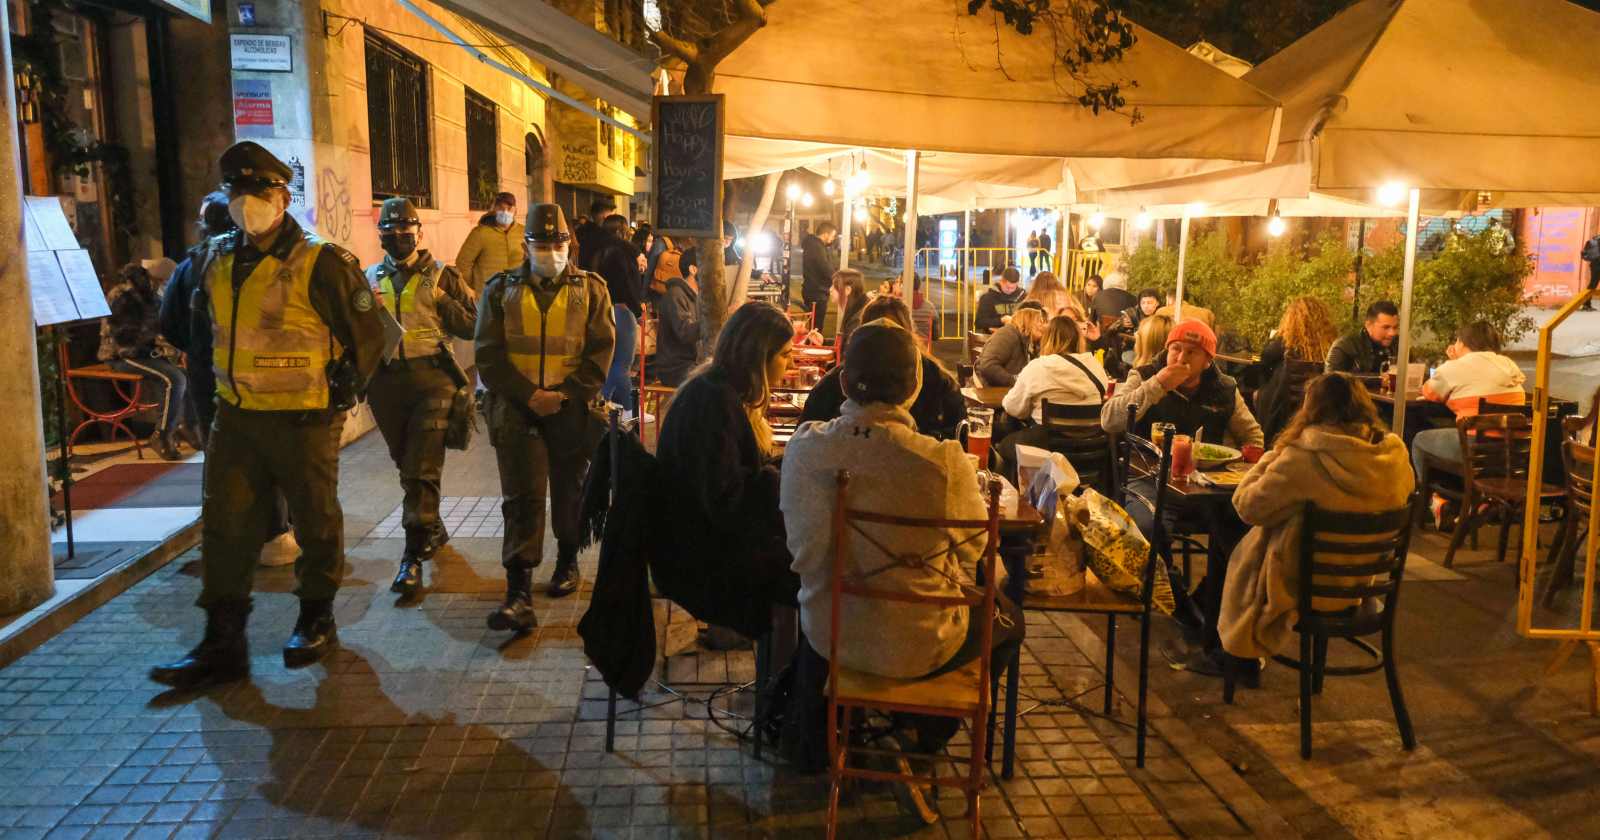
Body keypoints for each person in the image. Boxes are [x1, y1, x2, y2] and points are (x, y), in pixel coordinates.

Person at [149, 141, 387, 689]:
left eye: (258, 192)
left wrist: (340, 395)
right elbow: (177, 324)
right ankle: (222, 641)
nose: (246, 202)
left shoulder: (321, 260)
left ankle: (315, 618)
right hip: (235, 418)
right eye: (237, 192)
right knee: (226, 527)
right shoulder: (211, 258)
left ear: (281, 196)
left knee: (315, 519)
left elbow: (370, 337)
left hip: (304, 419)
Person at [781, 318, 1025, 819]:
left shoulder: (806, 450)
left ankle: (853, 729)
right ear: (915, 387)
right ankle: (927, 733)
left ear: (843, 381)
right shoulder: (945, 464)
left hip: (832, 636)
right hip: (924, 643)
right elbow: (971, 554)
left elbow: (804, 558)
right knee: (1007, 620)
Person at [477, 203, 615, 628]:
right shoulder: (499, 290)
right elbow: (487, 353)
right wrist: (528, 395)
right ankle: (518, 593)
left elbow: (601, 352)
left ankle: (567, 562)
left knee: (569, 491)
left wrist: (564, 395)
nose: (551, 251)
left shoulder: (592, 289)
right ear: (526, 246)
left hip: (570, 411)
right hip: (517, 410)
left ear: (569, 244)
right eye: (542, 243)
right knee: (521, 498)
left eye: (558, 243)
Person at [1100, 319, 1264, 677]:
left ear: (1208, 359)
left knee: (1244, 530)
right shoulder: (1144, 374)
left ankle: (1212, 604)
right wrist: (1158, 386)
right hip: (1148, 476)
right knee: (1146, 526)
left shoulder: (1224, 388)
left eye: (1192, 352)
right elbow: (1110, 421)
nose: (1181, 356)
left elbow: (1252, 434)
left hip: (1207, 484)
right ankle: (1180, 604)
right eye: (1176, 348)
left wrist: (1249, 456)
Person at [1219, 374, 1414, 659]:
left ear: (1310, 409)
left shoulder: (1303, 456)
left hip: (1298, 590)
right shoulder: (1393, 455)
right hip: (1359, 587)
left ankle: (1227, 656)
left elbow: (1248, 507)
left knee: (1230, 536)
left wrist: (1274, 455)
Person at [160, 192, 300, 568]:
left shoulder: (193, 266)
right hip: (268, 377)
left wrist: (199, 348)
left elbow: (170, 324)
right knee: (273, 453)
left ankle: (227, 536)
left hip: (212, 379)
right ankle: (278, 532)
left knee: (221, 456)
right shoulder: (272, 260)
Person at [655, 302, 800, 641]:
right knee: (812, 572)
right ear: (757, 358)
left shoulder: (714, 389)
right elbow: (727, 501)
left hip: (697, 540)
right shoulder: (713, 403)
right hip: (698, 558)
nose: (791, 364)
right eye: (784, 355)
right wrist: (780, 477)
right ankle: (783, 682)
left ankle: (781, 674)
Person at [362, 197, 478, 595]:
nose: (398, 240)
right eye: (389, 234)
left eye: (405, 233)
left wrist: (444, 299)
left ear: (419, 233)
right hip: (387, 384)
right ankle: (432, 525)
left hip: (433, 379)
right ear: (380, 237)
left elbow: (472, 325)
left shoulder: (444, 275)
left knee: (421, 467)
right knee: (406, 464)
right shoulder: (368, 277)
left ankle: (412, 555)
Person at [799, 296, 966, 440]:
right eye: (876, 335)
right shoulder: (838, 379)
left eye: (892, 336)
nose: (884, 345)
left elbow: (959, 433)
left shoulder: (938, 381)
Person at [1410, 321, 1527, 478]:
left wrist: (1453, 362)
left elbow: (1429, 391)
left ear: (1462, 343)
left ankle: (1433, 498)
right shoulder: (1509, 365)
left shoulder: (1456, 367)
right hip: (1513, 449)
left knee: (1420, 440)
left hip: (1476, 448)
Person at [101, 261, 192, 461]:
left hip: (145, 352)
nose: (167, 285)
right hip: (122, 355)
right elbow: (122, 336)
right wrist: (158, 341)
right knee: (174, 379)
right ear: (156, 278)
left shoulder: (151, 294)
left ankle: (185, 426)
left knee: (188, 373)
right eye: (165, 281)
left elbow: (163, 327)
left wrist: (178, 348)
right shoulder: (123, 295)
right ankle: (162, 434)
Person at [995, 315, 1110, 470]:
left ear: (1047, 339)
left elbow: (1012, 408)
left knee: (1004, 445)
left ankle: (1018, 492)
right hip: (1091, 452)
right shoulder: (1096, 366)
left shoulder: (1038, 366)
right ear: (1078, 339)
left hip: (1047, 455)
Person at [1250, 297, 1337, 443]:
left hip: (1283, 413)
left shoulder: (1284, 346)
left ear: (1291, 320)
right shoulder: (1331, 349)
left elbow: (1264, 361)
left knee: (1258, 393)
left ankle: (1258, 440)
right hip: (1319, 412)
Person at [593, 214, 645, 412]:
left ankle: (607, 406)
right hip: (622, 310)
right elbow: (626, 284)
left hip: (604, 309)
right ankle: (628, 410)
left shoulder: (599, 251)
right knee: (623, 364)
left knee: (612, 363)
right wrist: (637, 308)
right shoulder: (620, 253)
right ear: (621, 231)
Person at [454, 192, 524, 294]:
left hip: (516, 295)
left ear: (515, 211)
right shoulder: (480, 233)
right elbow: (463, 263)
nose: (505, 212)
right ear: (494, 209)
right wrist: (475, 285)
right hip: (488, 297)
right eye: (500, 208)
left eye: (509, 208)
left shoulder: (523, 232)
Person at [652, 249, 701, 387]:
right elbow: (685, 333)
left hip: (692, 364)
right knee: (716, 380)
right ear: (693, 269)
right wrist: (713, 319)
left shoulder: (697, 297)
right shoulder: (675, 295)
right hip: (675, 369)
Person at [975, 302, 1047, 388]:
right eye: (1040, 321)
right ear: (1027, 318)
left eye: (1045, 322)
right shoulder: (1007, 334)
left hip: (1010, 392)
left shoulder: (1033, 342)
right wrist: (1016, 382)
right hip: (990, 392)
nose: (1043, 326)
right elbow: (988, 367)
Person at [1325, 300, 1399, 374]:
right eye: (1386, 327)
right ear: (1368, 325)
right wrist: (1378, 380)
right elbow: (1330, 380)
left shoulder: (1400, 346)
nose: (1392, 333)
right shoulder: (1345, 346)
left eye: (1395, 327)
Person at [800, 221, 840, 331]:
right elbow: (824, 267)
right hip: (817, 291)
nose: (832, 239)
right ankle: (813, 346)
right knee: (816, 327)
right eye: (832, 235)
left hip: (813, 289)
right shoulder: (816, 247)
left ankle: (812, 344)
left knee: (814, 325)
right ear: (826, 234)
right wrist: (837, 278)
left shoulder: (815, 245)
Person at [974, 267, 1027, 331]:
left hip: (1017, 335)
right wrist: (1001, 320)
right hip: (993, 336)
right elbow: (979, 323)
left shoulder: (1023, 297)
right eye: (1007, 287)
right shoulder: (988, 298)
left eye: (1013, 288)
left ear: (1017, 284)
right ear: (1001, 281)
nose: (1010, 290)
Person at [831, 268, 868, 358]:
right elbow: (845, 342)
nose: (830, 290)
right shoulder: (855, 309)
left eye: (834, 286)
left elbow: (848, 358)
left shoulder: (858, 318)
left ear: (847, 290)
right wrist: (823, 341)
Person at [574, 196, 616, 271]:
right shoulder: (604, 234)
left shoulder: (580, 231)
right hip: (597, 275)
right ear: (604, 216)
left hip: (582, 272)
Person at [909, 274, 939, 348]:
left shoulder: (902, 305)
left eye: (899, 282)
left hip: (907, 347)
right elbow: (936, 334)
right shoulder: (929, 306)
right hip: (924, 346)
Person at [1582, 232, 1600, 311]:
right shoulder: (1597, 241)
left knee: (1592, 284)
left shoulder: (1595, 239)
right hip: (1597, 265)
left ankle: (1586, 304)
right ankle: (1586, 304)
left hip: (1595, 265)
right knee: (1593, 285)